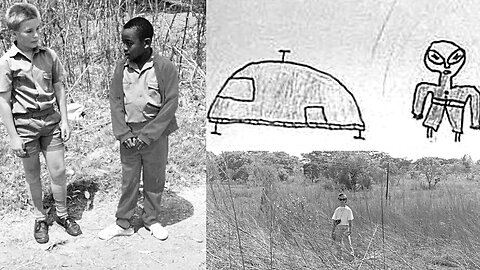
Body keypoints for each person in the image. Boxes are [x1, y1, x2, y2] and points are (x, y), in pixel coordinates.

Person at [0, 3, 81, 244]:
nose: (36, 35)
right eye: (29, 31)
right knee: (32, 175)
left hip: (51, 122)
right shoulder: (7, 62)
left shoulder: (49, 56)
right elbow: (3, 102)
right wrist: (14, 137)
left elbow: (59, 87)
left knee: (58, 171)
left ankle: (63, 215)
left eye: (37, 29)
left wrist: (65, 120)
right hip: (25, 126)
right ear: (14, 33)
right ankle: (39, 218)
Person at [98, 17, 179, 241]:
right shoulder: (120, 67)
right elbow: (115, 101)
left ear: (146, 42)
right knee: (129, 180)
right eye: (122, 42)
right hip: (129, 135)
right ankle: (123, 222)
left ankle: (151, 220)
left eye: (128, 43)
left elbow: (170, 103)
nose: (124, 48)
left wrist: (149, 135)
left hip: (156, 134)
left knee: (154, 179)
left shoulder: (164, 67)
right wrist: (123, 133)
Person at [331, 193, 354, 259]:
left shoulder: (348, 210)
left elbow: (350, 221)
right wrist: (333, 231)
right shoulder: (337, 210)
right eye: (340, 199)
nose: (342, 201)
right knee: (338, 244)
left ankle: (351, 258)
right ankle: (339, 258)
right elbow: (334, 221)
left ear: (346, 200)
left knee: (347, 244)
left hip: (345, 227)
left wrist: (350, 230)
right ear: (338, 200)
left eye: (344, 199)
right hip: (338, 227)